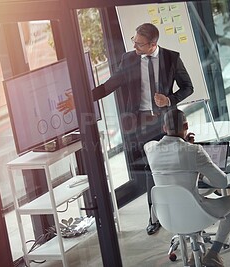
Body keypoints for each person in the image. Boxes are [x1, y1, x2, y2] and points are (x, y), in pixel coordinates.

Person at [57, 23, 194, 235]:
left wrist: (169, 99)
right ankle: (155, 216)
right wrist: (79, 99)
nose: (135, 46)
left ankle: (184, 208)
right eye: (134, 41)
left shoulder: (171, 58)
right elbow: (108, 86)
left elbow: (188, 87)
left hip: (167, 122)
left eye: (139, 44)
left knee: (173, 167)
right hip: (141, 124)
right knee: (150, 171)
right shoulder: (129, 59)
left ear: (152, 45)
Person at [144, 109, 230, 267]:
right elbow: (222, 182)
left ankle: (194, 256)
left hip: (167, 215)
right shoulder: (194, 151)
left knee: (191, 203)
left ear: (163, 128)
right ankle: (213, 254)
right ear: (186, 125)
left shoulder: (150, 149)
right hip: (195, 213)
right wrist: (201, 174)